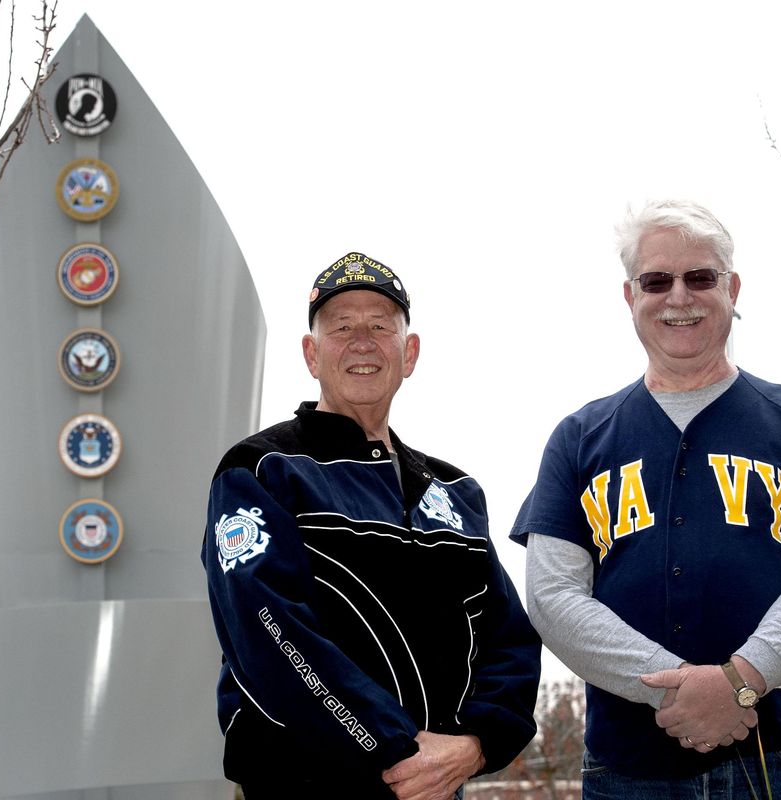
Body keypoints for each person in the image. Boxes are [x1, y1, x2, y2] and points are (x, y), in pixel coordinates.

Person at [510, 200, 781, 799]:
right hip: (627, 763)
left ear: (732, 288)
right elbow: (552, 596)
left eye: (700, 277)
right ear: (630, 297)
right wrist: (678, 688)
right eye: (656, 280)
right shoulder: (578, 437)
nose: (678, 296)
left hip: (775, 755)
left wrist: (739, 680)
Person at [203, 252, 540, 800]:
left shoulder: (455, 491)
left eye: (380, 327)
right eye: (341, 328)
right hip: (308, 783)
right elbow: (268, 628)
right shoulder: (261, 470)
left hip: (439, 784)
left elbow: (509, 638)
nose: (362, 341)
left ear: (409, 354)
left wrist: (478, 742)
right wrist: (396, 751)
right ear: (312, 354)